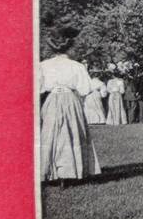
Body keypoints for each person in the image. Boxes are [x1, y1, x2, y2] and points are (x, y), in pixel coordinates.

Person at [39, 28, 101, 182]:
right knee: (72, 132)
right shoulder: (76, 66)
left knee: (51, 132)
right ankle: (71, 170)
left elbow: (39, 87)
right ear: (69, 48)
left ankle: (50, 170)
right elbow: (85, 89)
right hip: (70, 99)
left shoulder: (43, 65)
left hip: (52, 99)